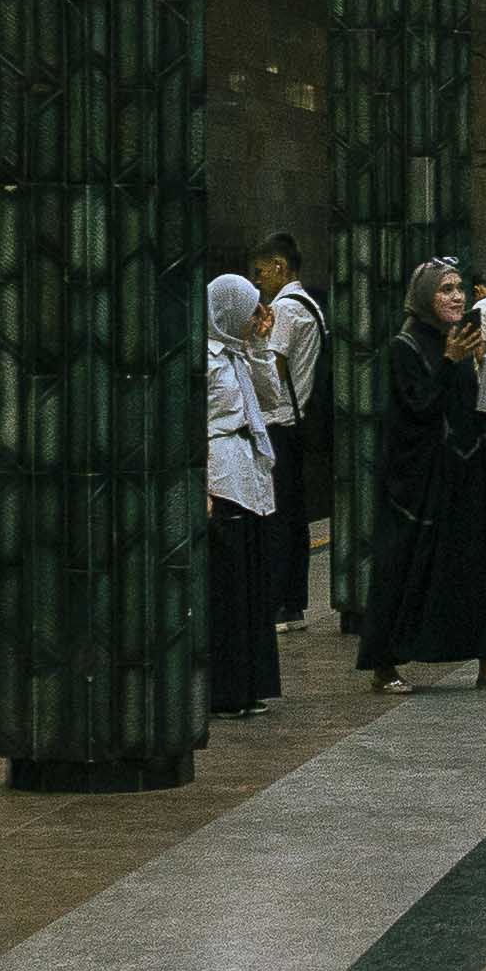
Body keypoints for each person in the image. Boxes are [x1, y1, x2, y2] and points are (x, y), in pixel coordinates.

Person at [355, 254, 486, 695]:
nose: (457, 297)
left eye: (459, 288)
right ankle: (385, 666)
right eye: (446, 290)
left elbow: (464, 405)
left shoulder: (459, 341)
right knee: (405, 567)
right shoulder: (406, 346)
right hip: (419, 483)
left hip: (463, 471)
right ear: (426, 296)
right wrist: (449, 362)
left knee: (477, 566)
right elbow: (417, 409)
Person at [204, 273, 285, 719]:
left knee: (252, 585)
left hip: (250, 473)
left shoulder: (240, 354)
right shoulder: (205, 359)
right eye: (250, 308)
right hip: (222, 475)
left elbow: (272, 398)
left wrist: (261, 345)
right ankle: (225, 690)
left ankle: (252, 684)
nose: (256, 316)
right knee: (228, 589)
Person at [250, 233, 332, 621]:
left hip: (278, 423)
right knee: (296, 517)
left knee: (277, 517)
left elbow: (274, 371)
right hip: (300, 422)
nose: (257, 281)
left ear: (279, 266)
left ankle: (278, 603)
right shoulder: (312, 306)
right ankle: (295, 601)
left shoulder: (283, 309)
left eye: (261, 272)